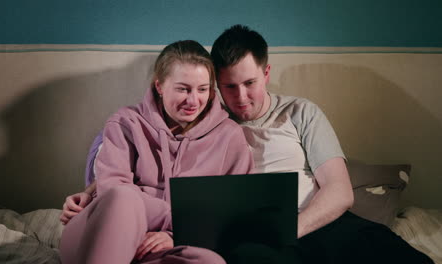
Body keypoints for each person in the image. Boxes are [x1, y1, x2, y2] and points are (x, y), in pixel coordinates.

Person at [63, 26, 434, 264]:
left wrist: (289, 229)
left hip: (314, 220)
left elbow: (339, 192)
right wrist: (94, 192)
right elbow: (126, 172)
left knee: (390, 254)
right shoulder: (207, 120)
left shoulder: (297, 113)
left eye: (250, 82)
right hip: (250, 232)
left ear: (267, 72)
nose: (240, 97)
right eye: (227, 86)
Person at [59, 40, 254, 264]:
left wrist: (177, 234)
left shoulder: (229, 136)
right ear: (159, 86)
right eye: (183, 89)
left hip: (165, 245)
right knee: (124, 197)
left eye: (202, 89)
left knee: (211, 262)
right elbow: (112, 189)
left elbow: (235, 213)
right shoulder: (125, 122)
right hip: (102, 233)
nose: (193, 100)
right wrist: (180, 221)